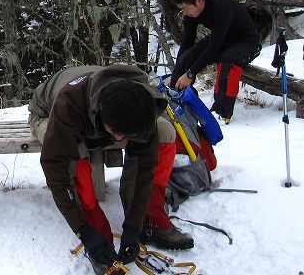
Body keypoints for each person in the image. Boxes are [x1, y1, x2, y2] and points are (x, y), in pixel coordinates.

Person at [29, 64, 193, 275]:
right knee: (74, 153)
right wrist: (84, 231)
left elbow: (146, 170)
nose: (119, 140)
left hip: (102, 114)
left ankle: (149, 219)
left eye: (125, 136)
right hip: (47, 112)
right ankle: (96, 232)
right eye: (116, 133)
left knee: (164, 132)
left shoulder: (144, 103)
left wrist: (133, 227)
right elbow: (54, 168)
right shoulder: (69, 104)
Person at [169, 0, 261, 122]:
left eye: (185, 8)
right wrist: (178, 71)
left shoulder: (221, 7)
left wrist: (190, 73)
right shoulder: (191, 15)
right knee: (189, 56)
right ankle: (177, 99)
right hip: (224, 39)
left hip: (247, 41)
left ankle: (223, 113)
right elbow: (187, 43)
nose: (184, 12)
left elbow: (213, 48)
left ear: (198, 1)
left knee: (227, 60)